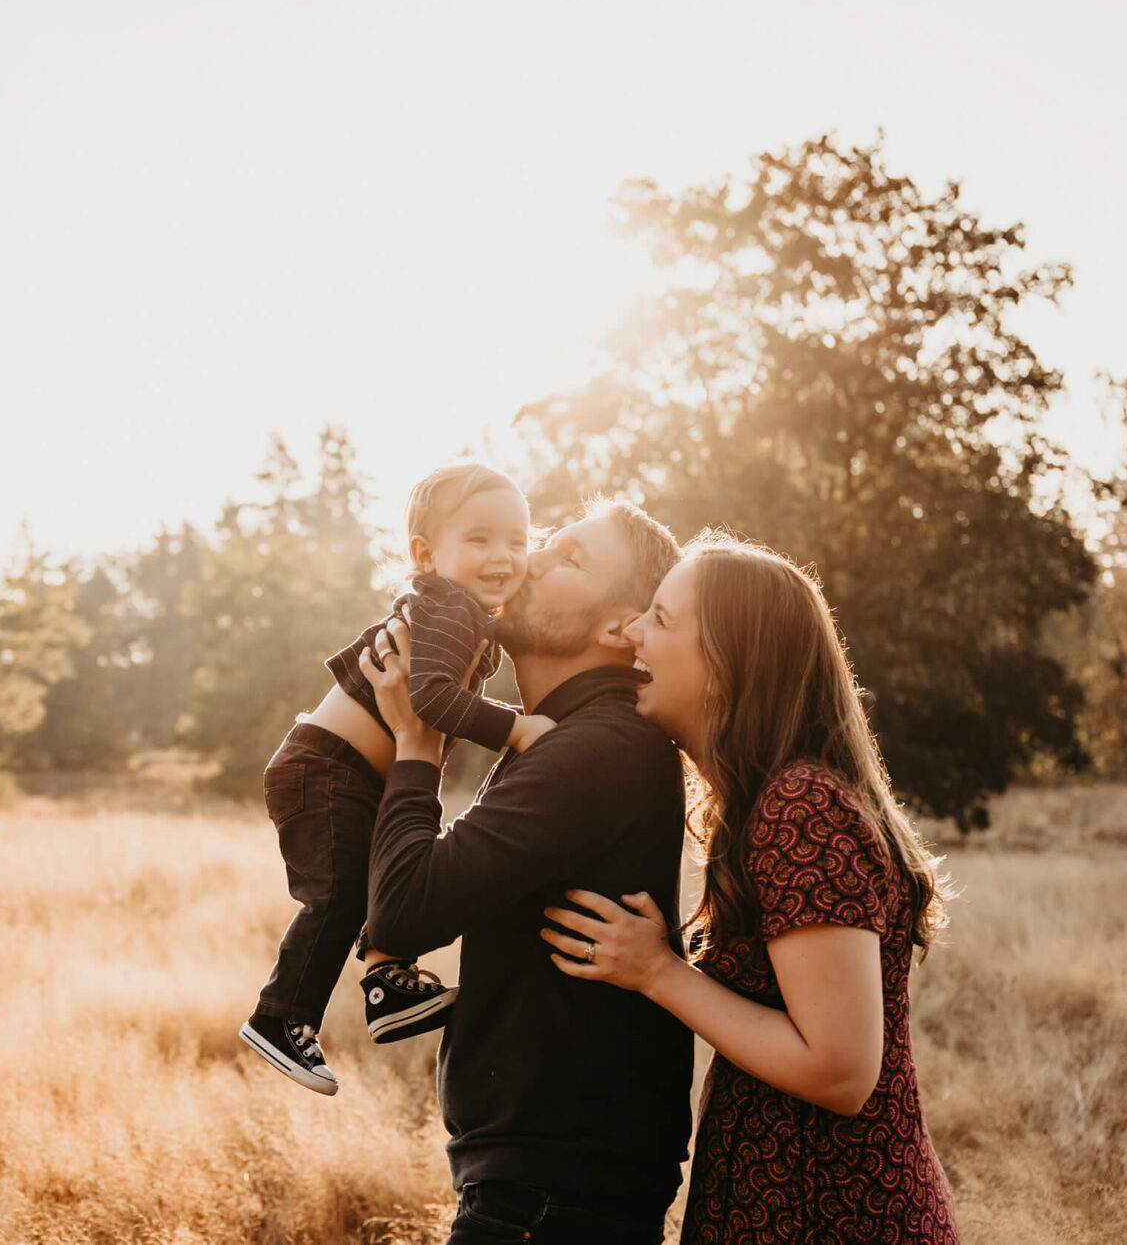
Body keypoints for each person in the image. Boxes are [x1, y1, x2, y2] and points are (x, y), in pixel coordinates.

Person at [540, 531, 961, 1242]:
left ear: (727, 669)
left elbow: (840, 1070)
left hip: (832, 1218)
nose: (636, 631)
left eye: (663, 619)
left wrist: (656, 971)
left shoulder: (799, 806)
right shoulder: (765, 802)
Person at [358, 499, 694, 1244]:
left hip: (551, 1204)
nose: (528, 558)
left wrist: (418, 741)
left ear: (619, 627)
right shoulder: (570, 738)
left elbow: (403, 912)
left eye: (567, 558)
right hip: (546, 1194)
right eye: (544, 541)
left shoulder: (600, 749)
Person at [240, 462, 558, 1095]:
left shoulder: (464, 611)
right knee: (335, 896)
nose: (504, 556)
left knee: (379, 878)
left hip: (354, 775)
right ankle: (280, 1018)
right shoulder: (448, 609)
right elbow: (432, 697)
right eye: (480, 540)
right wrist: (517, 729)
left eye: (518, 542)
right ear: (425, 553)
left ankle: (387, 982)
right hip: (325, 771)